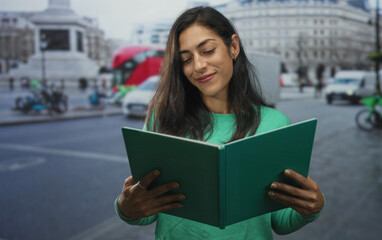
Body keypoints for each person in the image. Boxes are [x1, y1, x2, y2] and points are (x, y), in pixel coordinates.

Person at [115, 6, 325, 239]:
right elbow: (146, 212)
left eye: (207, 51)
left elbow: (280, 221)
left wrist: (309, 209)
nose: (198, 66)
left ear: (233, 47)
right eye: (186, 59)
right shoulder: (163, 119)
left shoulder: (274, 123)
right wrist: (127, 207)